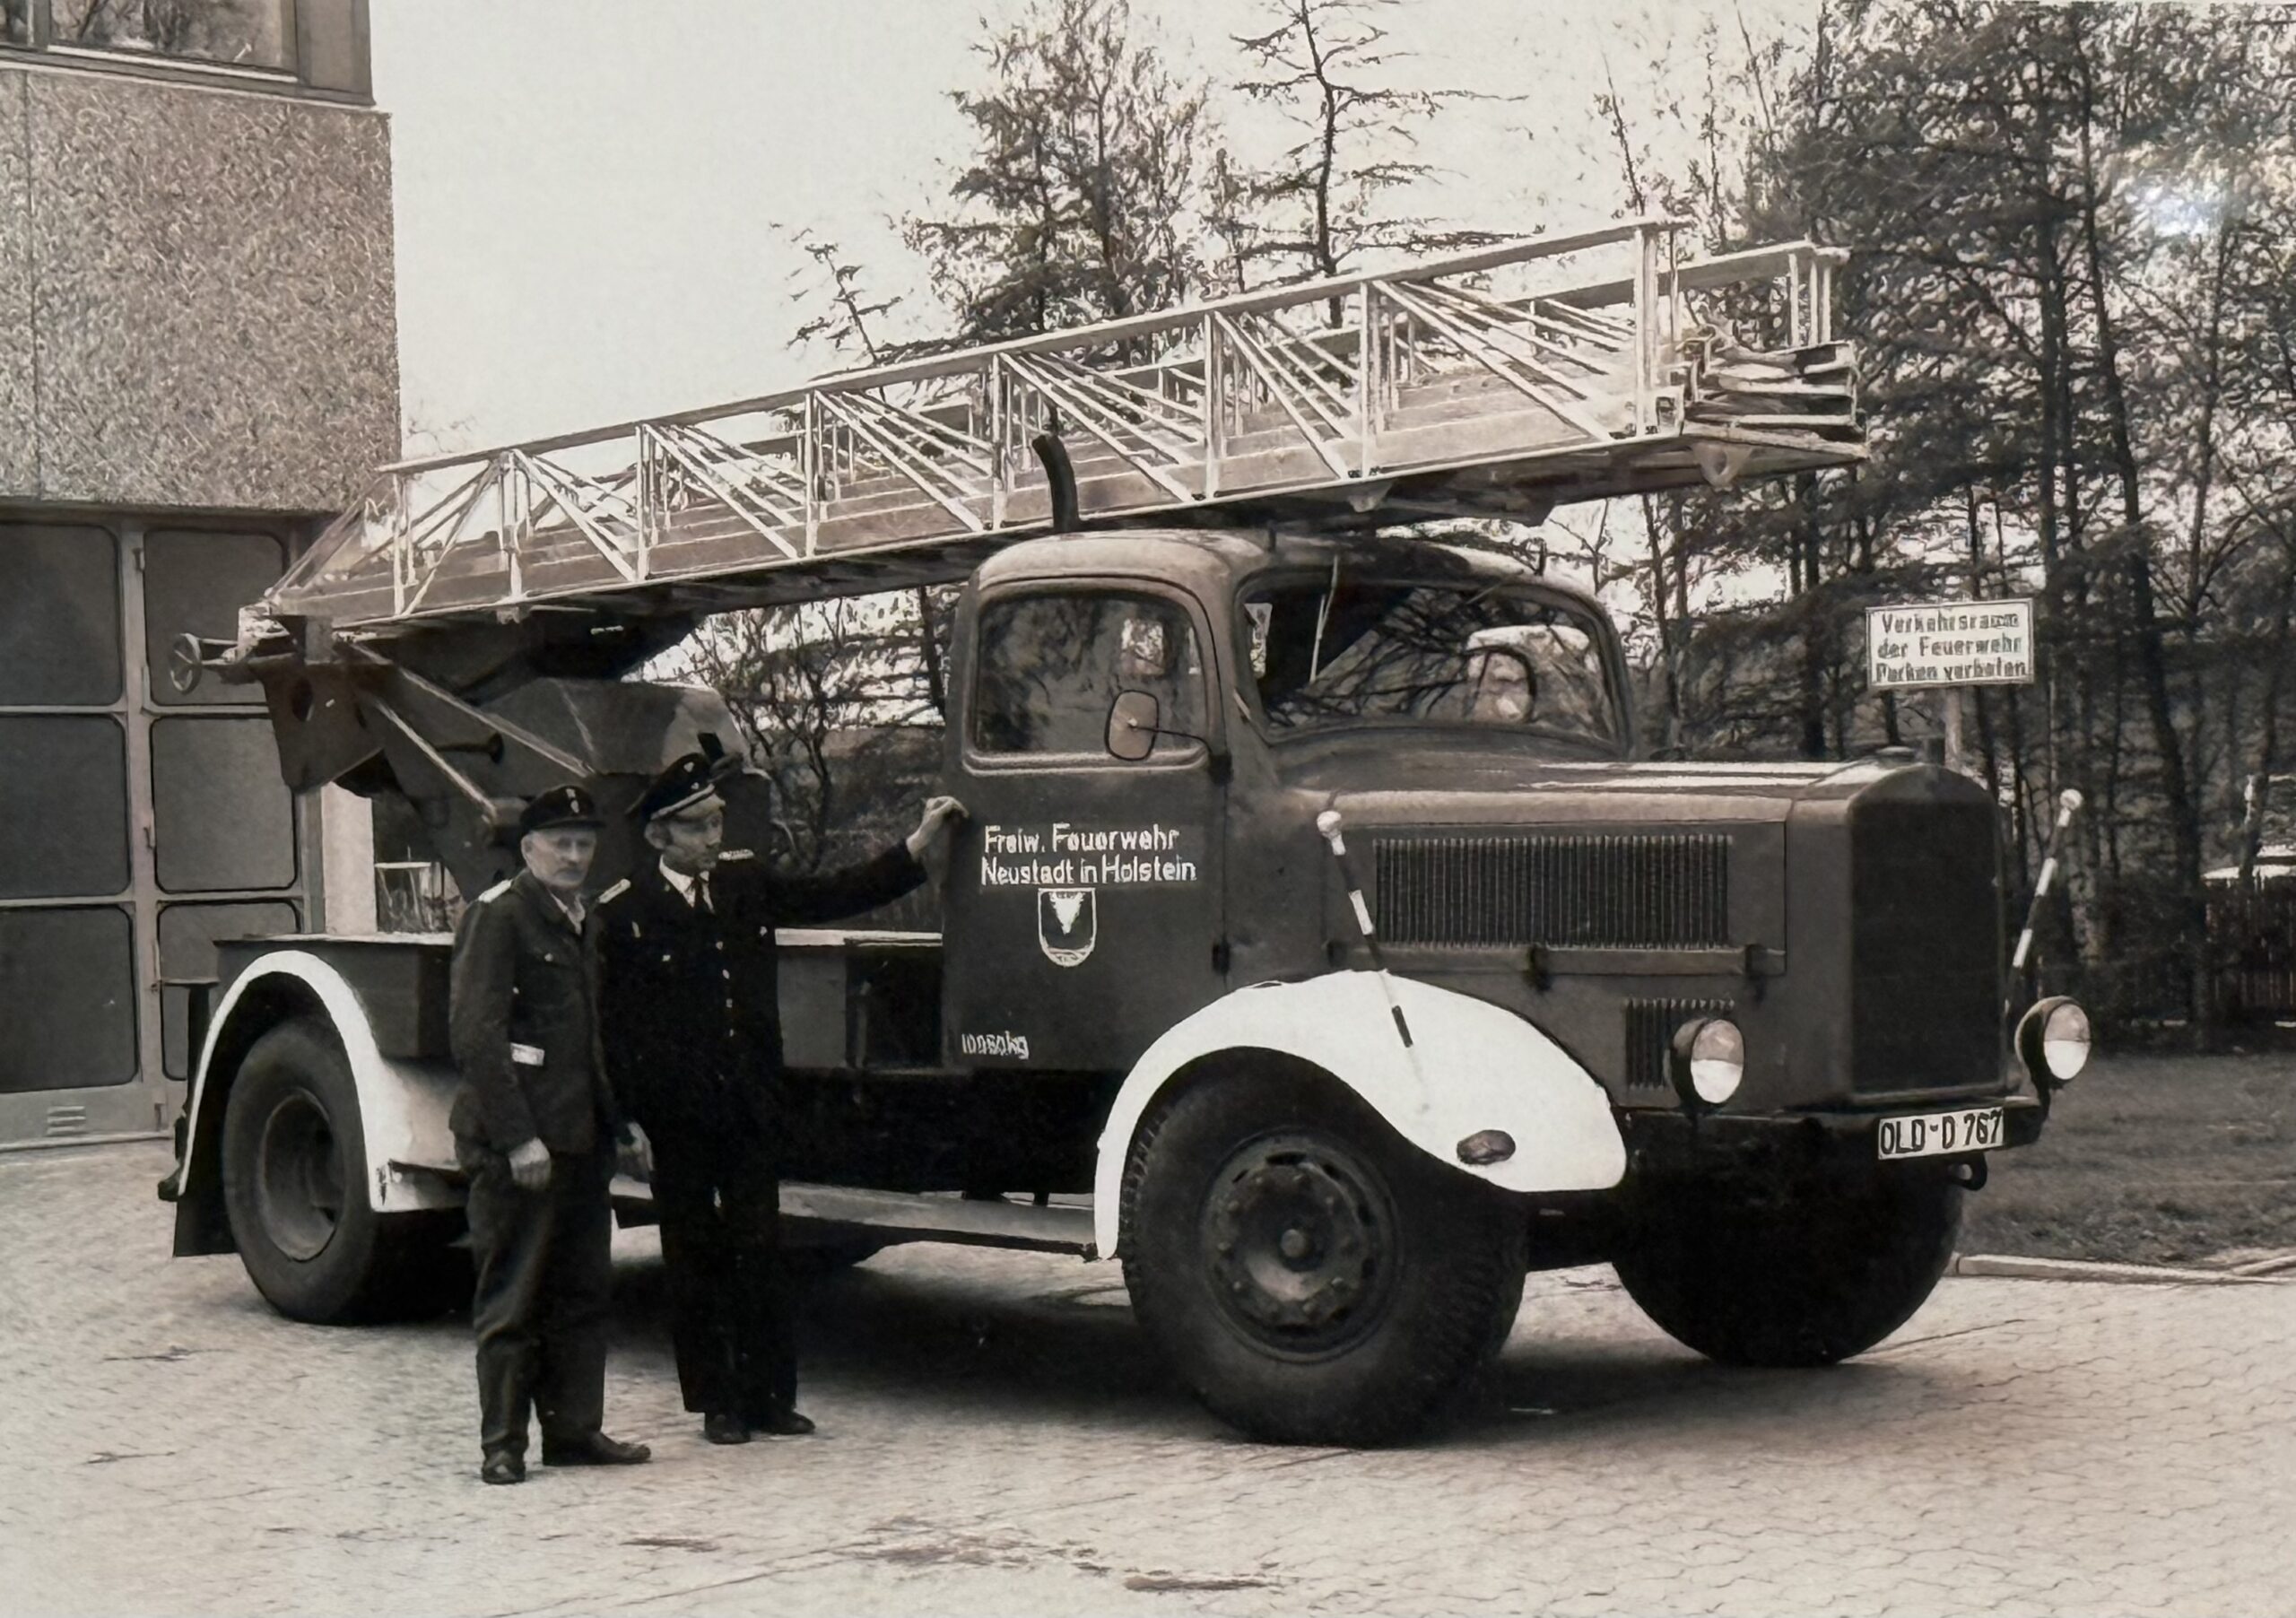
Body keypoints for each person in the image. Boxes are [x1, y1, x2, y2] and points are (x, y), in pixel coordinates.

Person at [596, 753, 964, 1446]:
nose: (713, 838)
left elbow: (828, 894)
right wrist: (626, 1122)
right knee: (694, 1255)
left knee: (759, 1247)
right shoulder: (625, 912)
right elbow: (613, 1031)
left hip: (748, 1106)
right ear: (659, 836)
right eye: (698, 827)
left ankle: (770, 1397)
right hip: (678, 1118)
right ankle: (719, 1403)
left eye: (717, 823)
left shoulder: (742, 882)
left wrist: (914, 849)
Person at [448, 784, 655, 1486]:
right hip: (522, 1147)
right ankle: (502, 1446)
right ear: (528, 848)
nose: (573, 856)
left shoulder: (579, 917)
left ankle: (573, 1433)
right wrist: (517, 1139)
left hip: (578, 1139)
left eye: (584, 844)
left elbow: (587, 1042)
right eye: (560, 843)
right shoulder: (499, 916)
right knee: (513, 1296)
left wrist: (619, 1125)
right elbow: (477, 1038)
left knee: (581, 1295)